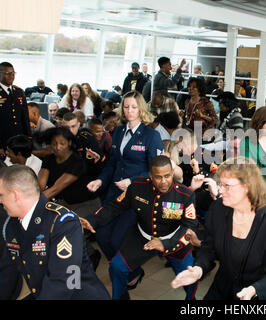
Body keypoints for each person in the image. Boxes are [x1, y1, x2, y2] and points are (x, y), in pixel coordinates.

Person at [171, 156, 266, 300]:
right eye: (220, 184)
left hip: (260, 293)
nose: (220, 191)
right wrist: (198, 269)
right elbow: (209, 248)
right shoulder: (218, 208)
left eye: (227, 186)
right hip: (223, 286)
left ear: (248, 187)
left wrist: (254, 289)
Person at [81, 156, 198, 300]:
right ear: (150, 176)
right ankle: (121, 296)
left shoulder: (185, 195)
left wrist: (165, 244)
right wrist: (92, 220)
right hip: (142, 237)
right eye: (158, 177)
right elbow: (115, 206)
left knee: (191, 275)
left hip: (174, 240)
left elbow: (189, 228)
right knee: (117, 267)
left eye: (167, 176)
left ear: (172, 173)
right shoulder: (137, 186)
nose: (163, 181)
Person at [0, 164, 110, 299]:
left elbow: (65, 282)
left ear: (16, 195)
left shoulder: (63, 223)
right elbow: (8, 271)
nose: (0, 201)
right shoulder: (11, 225)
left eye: (1, 195)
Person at [86, 91, 163, 273]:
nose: (129, 111)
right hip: (114, 193)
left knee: (116, 239)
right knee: (102, 235)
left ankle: (129, 271)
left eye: (134, 107)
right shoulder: (119, 131)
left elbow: (156, 170)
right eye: (126, 106)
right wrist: (100, 181)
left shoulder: (151, 135)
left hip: (136, 196)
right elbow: (113, 162)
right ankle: (124, 270)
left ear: (141, 109)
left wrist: (132, 180)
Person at [0, 61, 31, 159]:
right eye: (8, 73)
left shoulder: (19, 92)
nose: (11, 76)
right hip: (3, 140)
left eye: (13, 73)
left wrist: (28, 138)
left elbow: (25, 117)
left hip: (19, 140)